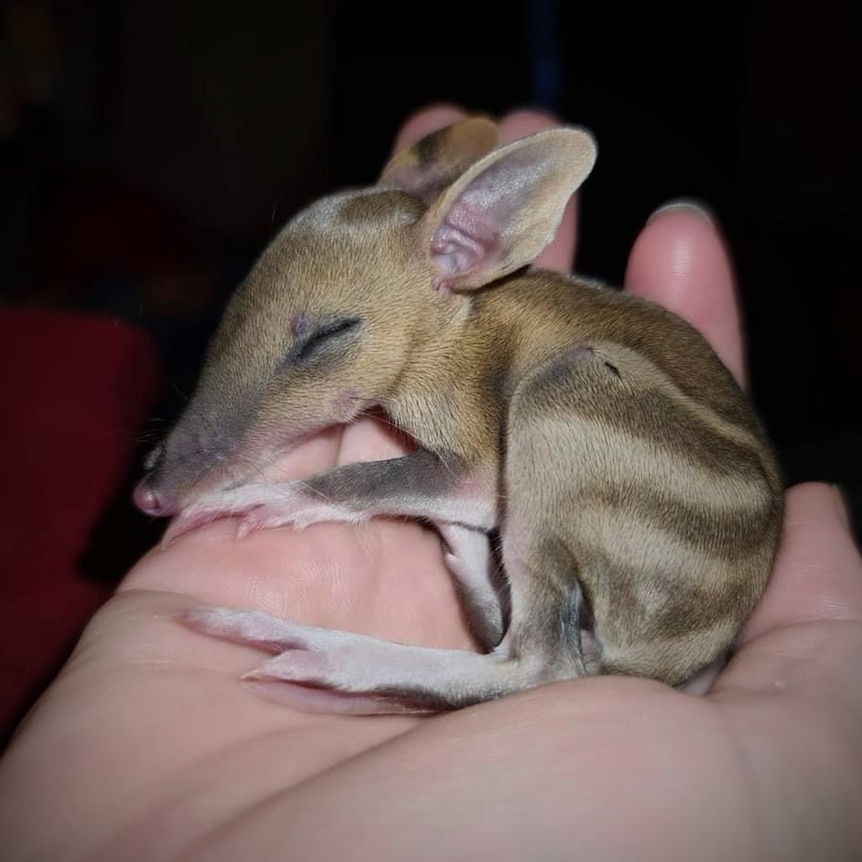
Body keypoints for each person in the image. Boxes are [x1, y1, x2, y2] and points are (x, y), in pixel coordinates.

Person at [0, 105, 860, 861]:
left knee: (576, 393)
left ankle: (530, 665)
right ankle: (534, 644)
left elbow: (475, 480)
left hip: (670, 569)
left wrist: (307, 496)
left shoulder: (459, 350)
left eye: (321, 341)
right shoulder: (427, 324)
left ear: (466, 252)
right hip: (636, 567)